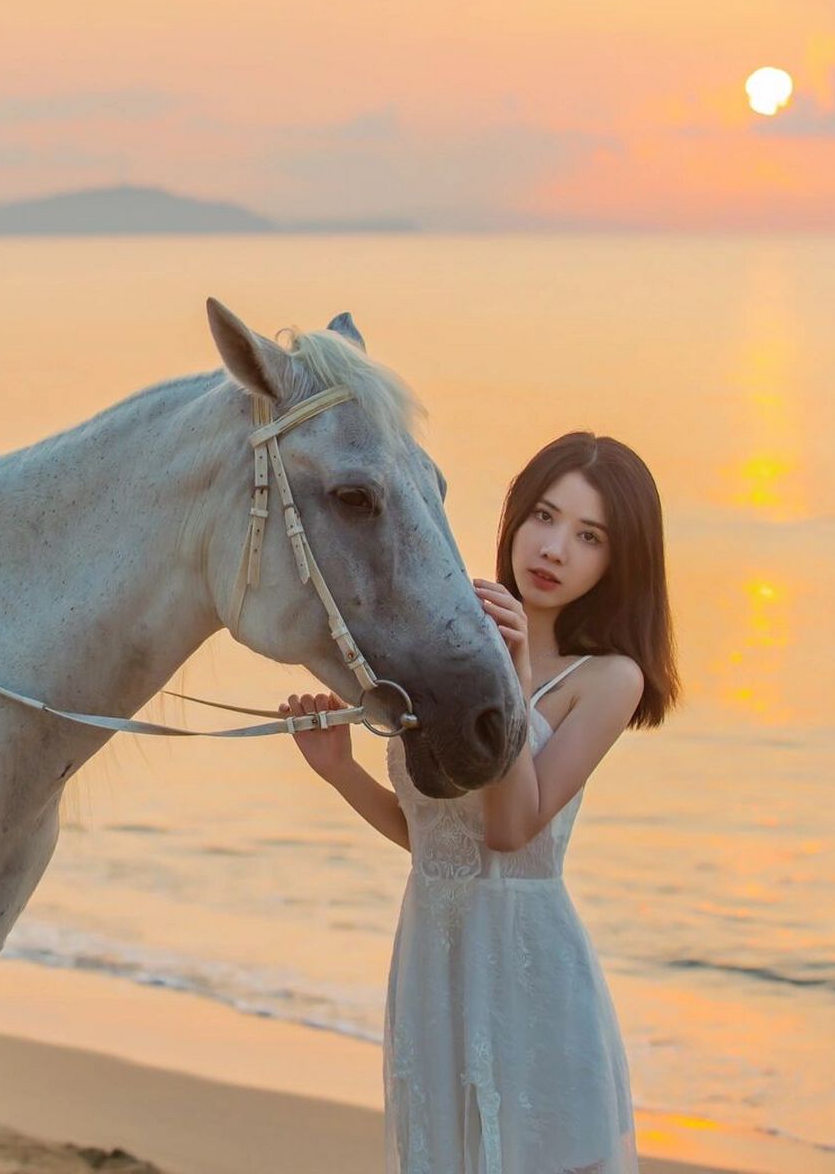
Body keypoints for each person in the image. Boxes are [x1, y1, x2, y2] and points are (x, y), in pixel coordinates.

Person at [285, 431, 678, 1173]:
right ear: (515, 519)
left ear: (618, 561)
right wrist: (339, 771)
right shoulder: (451, 637)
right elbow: (437, 840)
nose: (554, 548)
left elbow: (509, 830)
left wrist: (509, 672)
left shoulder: (607, 679)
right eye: (543, 516)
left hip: (525, 964)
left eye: (588, 537)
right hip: (434, 955)